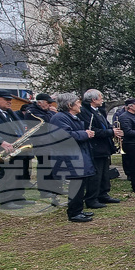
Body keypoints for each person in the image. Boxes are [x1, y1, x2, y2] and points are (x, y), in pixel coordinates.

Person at [49, 93, 96, 222]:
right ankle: (74, 213)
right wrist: (85, 134)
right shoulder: (59, 118)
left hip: (78, 154)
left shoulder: (71, 117)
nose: (80, 105)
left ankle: (78, 210)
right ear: (70, 105)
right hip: (69, 156)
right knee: (76, 186)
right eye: (78, 102)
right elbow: (66, 136)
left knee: (80, 185)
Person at [78, 89, 123, 208]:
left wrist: (113, 131)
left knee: (104, 173)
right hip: (95, 147)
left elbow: (106, 125)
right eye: (100, 97)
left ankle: (103, 194)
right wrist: (110, 132)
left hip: (104, 147)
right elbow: (92, 129)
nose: (102, 99)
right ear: (93, 99)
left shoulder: (98, 111)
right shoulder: (84, 112)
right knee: (95, 175)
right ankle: (92, 198)